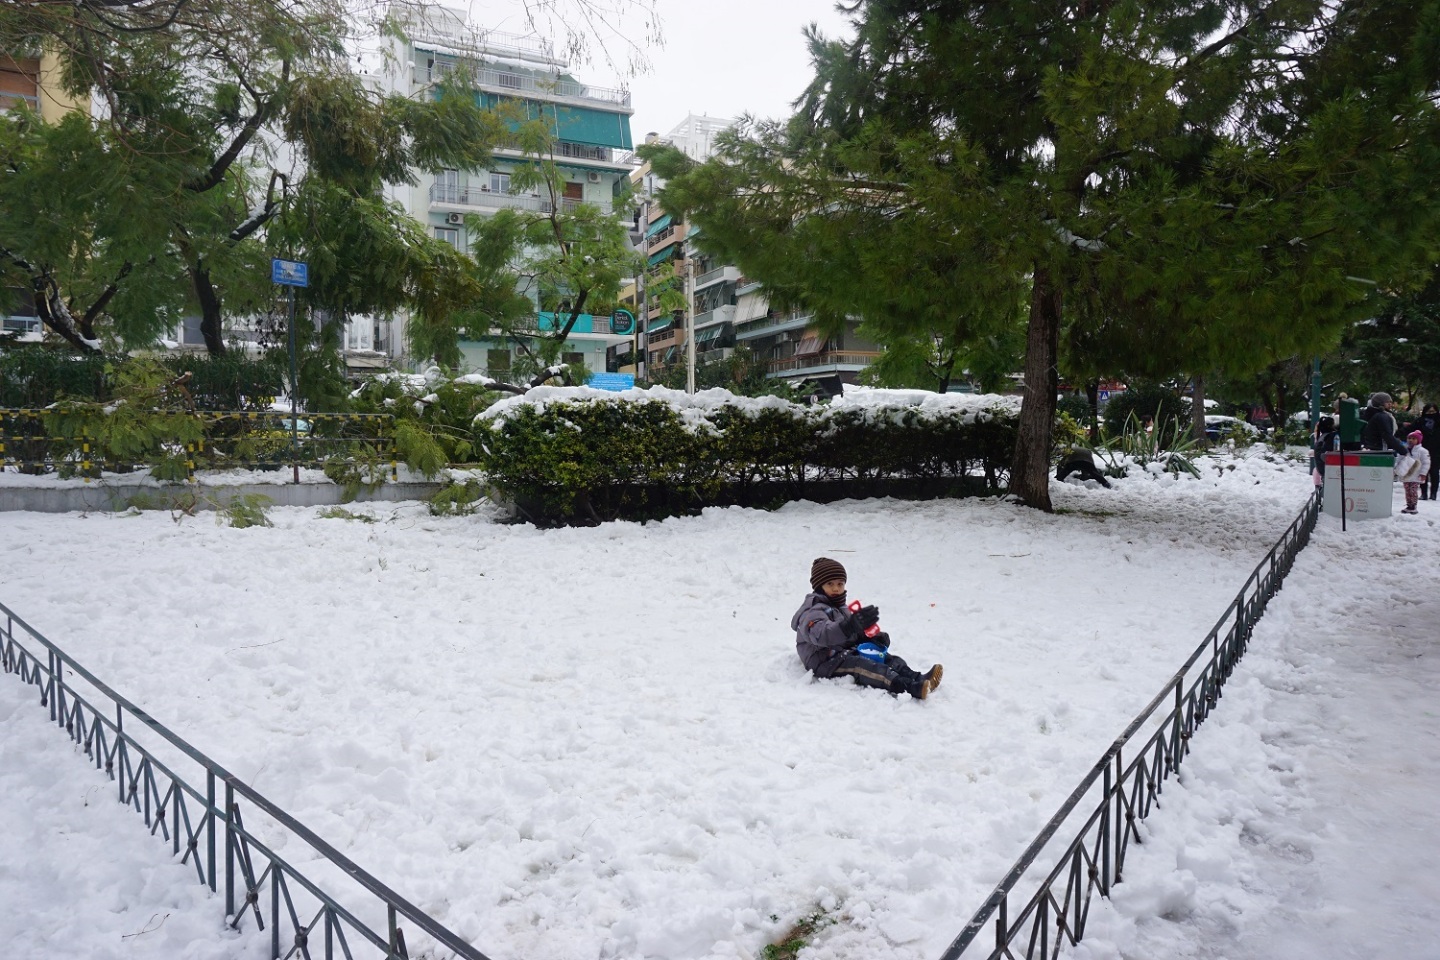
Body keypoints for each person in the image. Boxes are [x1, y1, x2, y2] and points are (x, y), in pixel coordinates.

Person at [792, 557, 943, 700]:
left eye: (840, 584)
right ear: (819, 586)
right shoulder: (812, 611)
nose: (836, 589)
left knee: (886, 658)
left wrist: (867, 638)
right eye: (830, 584)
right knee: (864, 667)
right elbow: (822, 635)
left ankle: (918, 678)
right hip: (824, 660)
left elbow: (849, 634)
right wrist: (849, 625)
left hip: (842, 650)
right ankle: (909, 687)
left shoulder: (840, 607)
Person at [1403, 403, 1439, 500]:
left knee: (1434, 472)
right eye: (1429, 411)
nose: (1431, 413)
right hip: (1423, 449)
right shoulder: (1419, 421)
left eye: (1433, 412)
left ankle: (1433, 493)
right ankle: (1424, 493)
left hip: (1436, 449)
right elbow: (1410, 430)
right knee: (1423, 471)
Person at [1398, 431, 1431, 515]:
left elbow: (1426, 463)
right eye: (1409, 438)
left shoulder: (1422, 451)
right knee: (1407, 490)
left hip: (1416, 475)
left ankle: (1413, 506)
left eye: (1413, 438)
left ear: (1418, 440)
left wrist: (1423, 473)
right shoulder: (1404, 449)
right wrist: (1397, 469)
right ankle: (1409, 505)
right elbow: (1399, 460)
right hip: (1406, 474)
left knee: (1413, 490)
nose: (1411, 440)